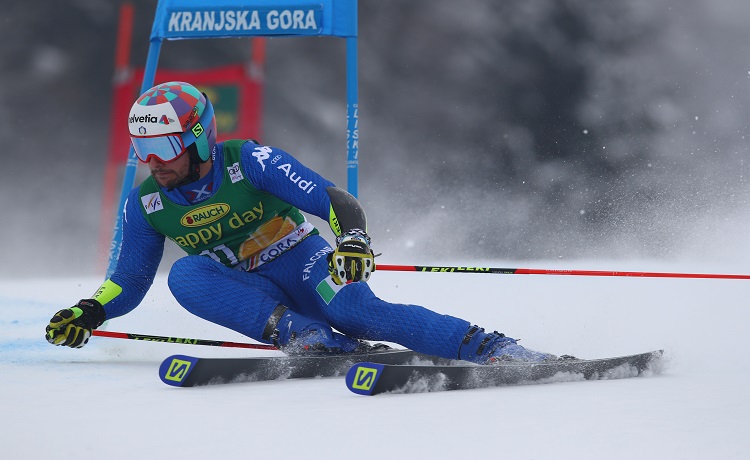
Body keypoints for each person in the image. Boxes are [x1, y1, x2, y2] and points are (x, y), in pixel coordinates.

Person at [45, 81, 556, 364]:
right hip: (249, 295)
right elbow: (128, 281)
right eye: (142, 150)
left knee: (362, 311)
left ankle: (495, 349)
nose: (152, 161)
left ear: (199, 138)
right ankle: (310, 339)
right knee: (184, 276)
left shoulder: (249, 160)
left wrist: (352, 240)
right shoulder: (148, 204)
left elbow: (332, 199)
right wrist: (91, 310)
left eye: (162, 147)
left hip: (304, 262)